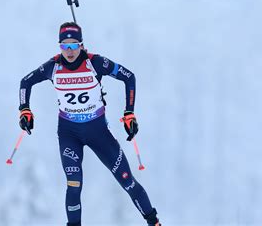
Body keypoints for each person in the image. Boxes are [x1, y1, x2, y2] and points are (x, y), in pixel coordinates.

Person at [19, 22, 161, 226]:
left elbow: (129, 77)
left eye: (74, 45)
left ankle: (153, 221)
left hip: (98, 132)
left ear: (81, 45)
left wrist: (129, 113)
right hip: (70, 134)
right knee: (74, 184)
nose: (69, 51)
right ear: (59, 46)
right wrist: (24, 109)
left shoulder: (96, 63)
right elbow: (26, 82)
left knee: (127, 181)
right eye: (64, 46)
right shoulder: (53, 67)